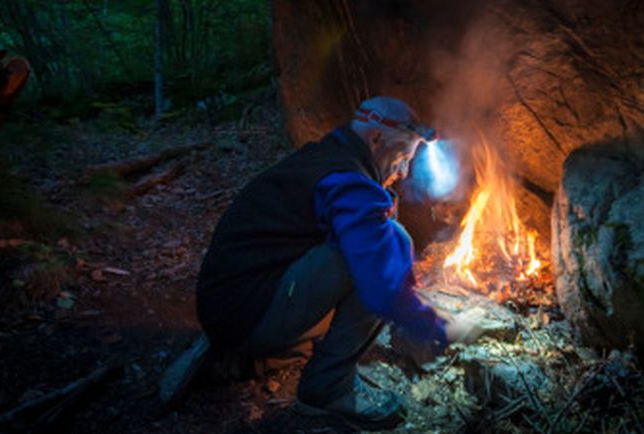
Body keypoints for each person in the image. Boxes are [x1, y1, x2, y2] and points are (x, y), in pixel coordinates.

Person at [188, 96, 476, 430]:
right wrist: (439, 327)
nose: (403, 172)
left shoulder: (327, 158)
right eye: (403, 157)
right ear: (376, 139)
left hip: (230, 305)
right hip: (243, 315)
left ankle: (248, 355)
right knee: (381, 250)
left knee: (374, 248)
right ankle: (327, 389)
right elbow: (380, 280)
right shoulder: (346, 181)